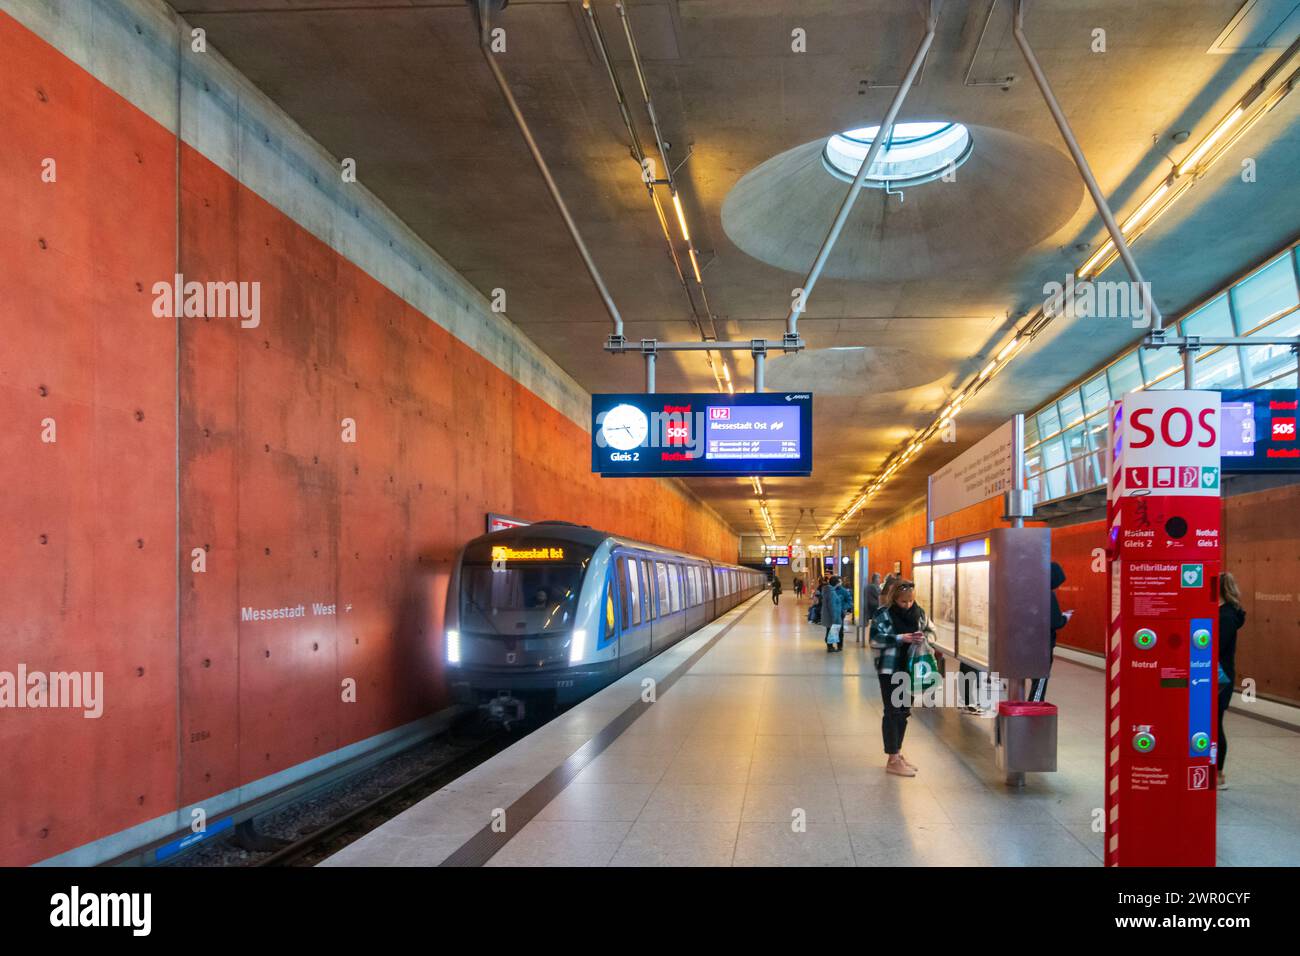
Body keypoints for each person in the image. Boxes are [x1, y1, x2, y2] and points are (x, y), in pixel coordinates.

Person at [869, 580, 935, 776]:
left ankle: (897, 753)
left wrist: (924, 638)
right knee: (892, 711)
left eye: (910, 601)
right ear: (894, 598)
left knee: (904, 711)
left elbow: (933, 633)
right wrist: (900, 638)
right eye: (903, 601)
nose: (907, 605)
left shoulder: (920, 613)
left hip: (912, 669)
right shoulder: (882, 614)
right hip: (890, 670)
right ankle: (892, 758)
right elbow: (874, 640)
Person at [1217, 572, 1246, 790]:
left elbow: (1215, 646)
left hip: (1220, 678)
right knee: (1212, 723)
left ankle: (1219, 774)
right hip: (1217, 676)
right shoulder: (1222, 613)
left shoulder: (1225, 616)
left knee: (1214, 723)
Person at [1029, 562, 1071, 702]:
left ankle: (1026, 712)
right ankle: (1033, 712)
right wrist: (1065, 617)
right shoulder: (1048, 595)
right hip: (1042, 646)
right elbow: (1055, 622)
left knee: (1029, 678)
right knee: (1040, 681)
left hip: (1025, 643)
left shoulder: (1029, 591)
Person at [819, 575, 848, 652]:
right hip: (833, 616)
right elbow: (832, 606)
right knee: (833, 631)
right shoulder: (832, 593)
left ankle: (830, 646)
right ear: (836, 583)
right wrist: (834, 618)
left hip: (830, 616)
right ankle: (830, 647)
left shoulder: (828, 591)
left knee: (831, 631)